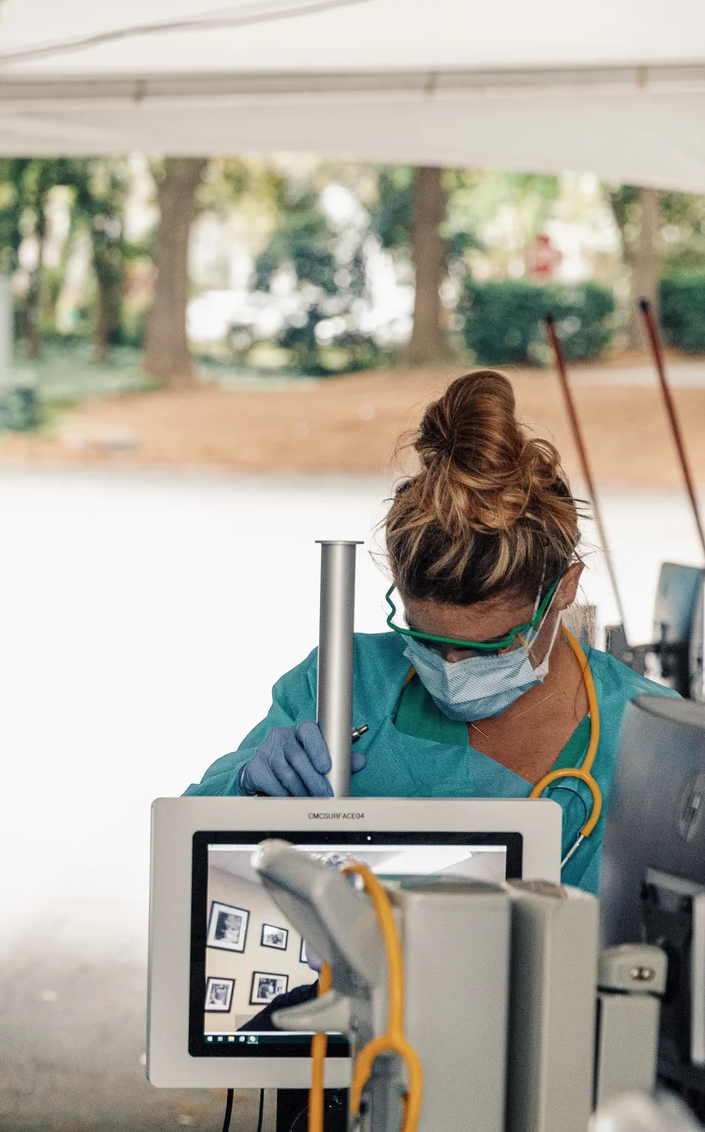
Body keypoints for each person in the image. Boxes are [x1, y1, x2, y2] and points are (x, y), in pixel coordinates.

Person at [187, 369, 673, 891]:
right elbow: (194, 850)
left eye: (487, 646)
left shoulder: (652, 737)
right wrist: (243, 791)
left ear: (564, 588)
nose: (451, 668)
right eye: (426, 639)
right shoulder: (346, 684)